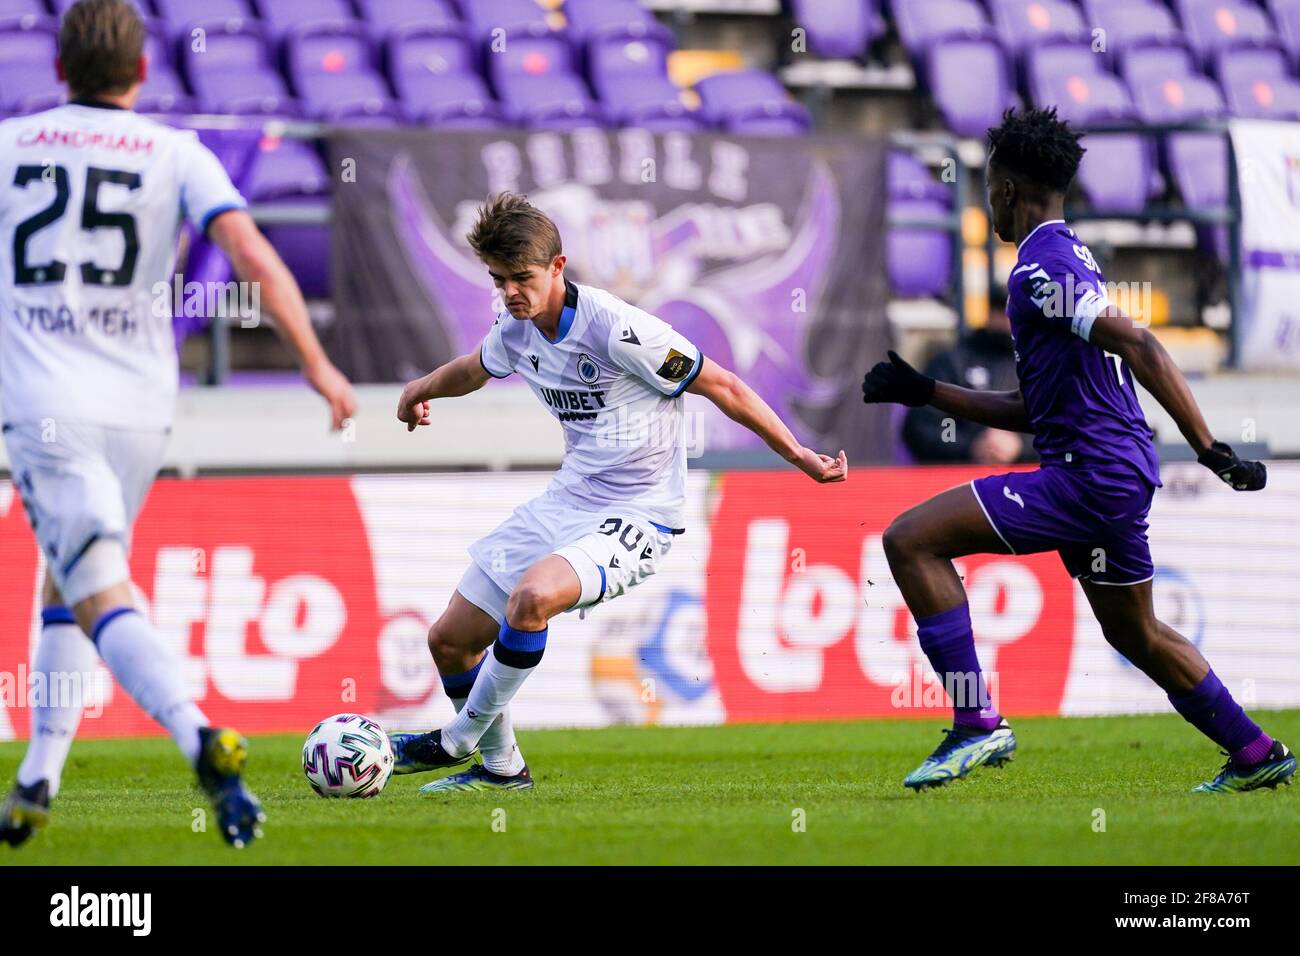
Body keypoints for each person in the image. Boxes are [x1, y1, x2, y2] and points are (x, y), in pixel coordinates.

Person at [0, 0, 357, 848]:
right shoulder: (176, 152)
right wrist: (316, 361)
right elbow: (250, 252)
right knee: (69, 581)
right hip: (140, 411)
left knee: (94, 584)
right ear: (143, 72)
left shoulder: (10, 146)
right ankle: (36, 780)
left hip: (49, 411)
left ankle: (202, 737)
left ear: (57, 69)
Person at [862, 106, 1293, 794]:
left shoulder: (1040, 270)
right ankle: (1254, 750)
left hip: (1088, 477)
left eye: (989, 188)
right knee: (1138, 634)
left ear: (1003, 190)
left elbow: (1141, 342)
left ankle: (977, 722)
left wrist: (1209, 448)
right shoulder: (1068, 257)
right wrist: (928, 391)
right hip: (1116, 474)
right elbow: (1034, 409)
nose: (988, 202)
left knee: (911, 540)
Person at [392, 192, 847, 792]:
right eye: (499, 281)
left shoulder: (619, 328)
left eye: (521, 279)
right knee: (449, 641)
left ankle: (457, 739)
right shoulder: (516, 325)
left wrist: (799, 456)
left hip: (639, 513)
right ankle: (502, 771)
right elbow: (476, 367)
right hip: (568, 501)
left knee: (531, 600)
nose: (509, 293)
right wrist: (418, 389)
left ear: (558, 267)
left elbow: (724, 385)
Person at [902, 307, 1031, 465]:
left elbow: (1062, 430)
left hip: (1031, 480)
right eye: (1005, 311)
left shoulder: (1046, 367)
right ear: (992, 314)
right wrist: (970, 447)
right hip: (959, 478)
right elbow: (924, 427)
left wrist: (1020, 446)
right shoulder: (951, 363)